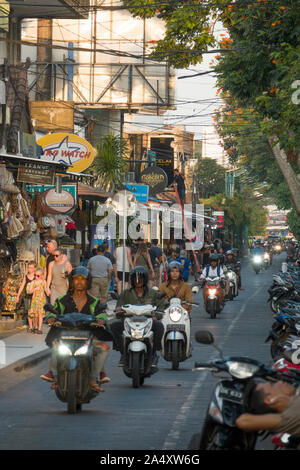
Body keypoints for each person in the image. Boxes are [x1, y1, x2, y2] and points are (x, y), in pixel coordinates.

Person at [41, 267, 112, 392]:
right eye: (76, 279)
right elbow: (54, 311)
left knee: (104, 348)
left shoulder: (95, 302)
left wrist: (101, 320)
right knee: (56, 344)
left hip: (88, 339)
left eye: (83, 279)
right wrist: (51, 318)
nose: (79, 282)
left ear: (88, 282)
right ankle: (55, 376)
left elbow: (101, 313)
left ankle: (93, 378)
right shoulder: (62, 301)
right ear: (71, 282)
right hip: (66, 339)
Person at [110, 266, 165, 367]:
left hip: (148, 321)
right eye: (135, 278)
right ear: (132, 280)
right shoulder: (125, 293)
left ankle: (153, 353)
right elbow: (119, 307)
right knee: (114, 326)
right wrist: (119, 311)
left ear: (145, 279)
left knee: (159, 326)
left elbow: (161, 306)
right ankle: (123, 353)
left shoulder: (153, 293)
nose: (138, 280)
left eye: (140, 278)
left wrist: (156, 316)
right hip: (129, 322)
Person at [236, 380, 300, 437]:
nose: (280, 381)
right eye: (273, 385)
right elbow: (243, 421)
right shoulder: (289, 419)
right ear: (269, 400)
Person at [27, 267, 50, 334]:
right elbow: (29, 291)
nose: (36, 277)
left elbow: (46, 289)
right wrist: (35, 289)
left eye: (38, 276)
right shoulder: (33, 282)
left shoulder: (44, 282)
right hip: (34, 301)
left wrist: (48, 292)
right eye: (35, 275)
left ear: (42, 275)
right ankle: (35, 327)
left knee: (40, 315)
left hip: (41, 300)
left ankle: (39, 329)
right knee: (35, 315)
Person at [16, 261, 36, 330]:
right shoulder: (26, 277)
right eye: (28, 267)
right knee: (29, 311)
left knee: (34, 312)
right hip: (27, 297)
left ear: (34, 268)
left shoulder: (37, 276)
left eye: (31, 267)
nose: (29, 269)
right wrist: (18, 296)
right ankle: (30, 327)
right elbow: (22, 286)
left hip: (35, 296)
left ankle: (35, 326)